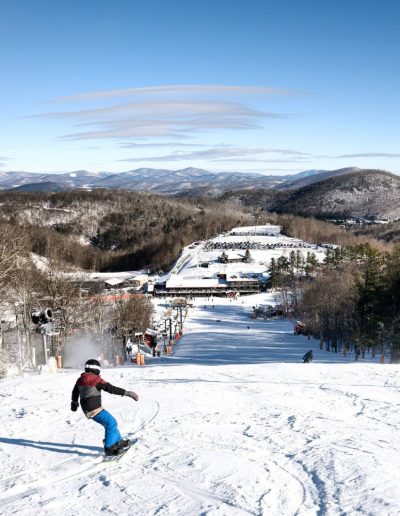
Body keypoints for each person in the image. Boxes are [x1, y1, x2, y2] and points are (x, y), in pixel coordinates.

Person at [71, 359, 139, 456]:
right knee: (111, 423)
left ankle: (118, 441)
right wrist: (127, 393)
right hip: (95, 409)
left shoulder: (80, 380)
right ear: (96, 370)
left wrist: (74, 403)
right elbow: (111, 389)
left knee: (111, 423)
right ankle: (109, 448)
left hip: (88, 409)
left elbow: (75, 392)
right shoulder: (96, 380)